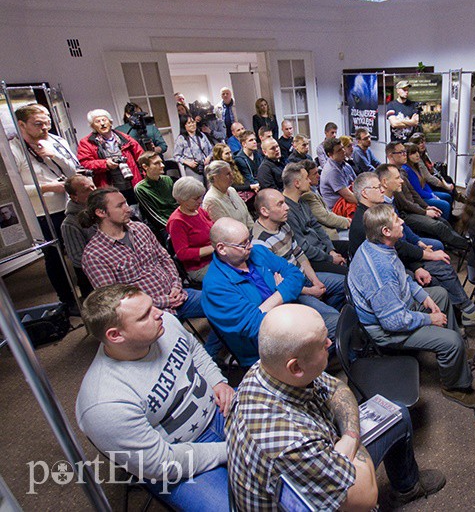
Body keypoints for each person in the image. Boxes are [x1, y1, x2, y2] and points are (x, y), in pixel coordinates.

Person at [226, 304, 446, 510]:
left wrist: (349, 437)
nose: (330, 343)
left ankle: (407, 487)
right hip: (310, 474)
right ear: (295, 367)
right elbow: (366, 498)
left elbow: (336, 388)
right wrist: (350, 442)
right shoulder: (288, 443)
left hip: (325, 446)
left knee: (396, 411)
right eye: (323, 344)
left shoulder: (265, 369)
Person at [75, 284, 232, 511]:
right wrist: (229, 450)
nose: (159, 312)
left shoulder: (164, 323)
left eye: (152, 306)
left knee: (288, 456)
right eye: (145, 315)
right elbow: (162, 464)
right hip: (177, 457)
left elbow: (194, 350)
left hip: (218, 411)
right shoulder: (103, 403)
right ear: (115, 335)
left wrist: (217, 381)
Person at [348, 204, 475, 408]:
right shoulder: (380, 272)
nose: (402, 221)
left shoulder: (378, 245)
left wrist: (423, 296)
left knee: (439, 294)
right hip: (387, 329)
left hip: (398, 306)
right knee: (451, 341)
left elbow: (401, 277)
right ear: (386, 231)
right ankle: (455, 386)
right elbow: (394, 322)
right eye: (397, 220)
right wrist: (430, 319)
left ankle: (454, 355)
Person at [351, 172, 475, 327]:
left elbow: (401, 239)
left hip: (398, 261)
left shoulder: (377, 210)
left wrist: (419, 246)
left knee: (440, 264)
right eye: (377, 187)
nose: (382, 190)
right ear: (365, 193)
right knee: (440, 272)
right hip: (391, 271)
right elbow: (397, 250)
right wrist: (421, 263)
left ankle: (459, 313)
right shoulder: (364, 222)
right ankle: (462, 312)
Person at [80, 187, 207, 325]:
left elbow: (165, 258)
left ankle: (211, 346)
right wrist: (165, 300)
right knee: (175, 339)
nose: (128, 209)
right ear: (101, 212)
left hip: (178, 295)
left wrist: (176, 285)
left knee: (228, 304)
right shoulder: (94, 255)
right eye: (120, 206)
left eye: (126, 203)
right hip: (145, 313)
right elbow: (117, 300)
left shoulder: (140, 229)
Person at [201, 218, 305, 367]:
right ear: (222, 248)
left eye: (249, 239)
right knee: (329, 336)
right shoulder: (215, 287)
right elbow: (255, 326)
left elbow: (296, 275)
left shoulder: (258, 252)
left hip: (291, 314)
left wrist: (266, 305)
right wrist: (283, 292)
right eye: (243, 244)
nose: (250, 246)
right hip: (264, 348)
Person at [11, 103, 81, 313]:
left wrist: (55, 155)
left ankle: (87, 292)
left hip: (70, 205)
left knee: (78, 249)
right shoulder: (13, 150)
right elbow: (15, 187)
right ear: (22, 125)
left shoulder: (56, 141)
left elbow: (74, 169)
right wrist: (49, 187)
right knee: (55, 256)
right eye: (38, 124)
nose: (44, 128)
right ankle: (67, 300)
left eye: (47, 123)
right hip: (44, 213)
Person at [251, 188, 343, 338]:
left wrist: (315, 280)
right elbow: (280, 285)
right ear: (264, 211)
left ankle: (324, 316)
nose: (286, 207)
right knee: (336, 319)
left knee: (345, 284)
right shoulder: (259, 244)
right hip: (295, 290)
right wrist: (311, 291)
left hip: (304, 278)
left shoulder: (283, 224)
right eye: (280, 204)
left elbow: (299, 254)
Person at [377, 162, 468, 251]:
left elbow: (414, 193)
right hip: (408, 215)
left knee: (442, 220)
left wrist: (426, 207)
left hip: (412, 214)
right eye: (397, 178)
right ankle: (466, 246)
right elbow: (405, 206)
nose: (401, 181)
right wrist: (424, 211)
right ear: (385, 182)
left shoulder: (391, 197)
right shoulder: (384, 205)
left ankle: (461, 243)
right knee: (439, 226)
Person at [282, 163, 349, 275]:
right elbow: (303, 247)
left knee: (351, 246)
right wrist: (330, 258)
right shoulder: (286, 211)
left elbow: (317, 227)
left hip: (321, 248)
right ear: (297, 183)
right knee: (346, 273)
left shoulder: (302, 201)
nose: (309, 181)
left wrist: (331, 250)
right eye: (306, 178)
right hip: (311, 258)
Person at [77, 109, 143, 205]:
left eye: (104, 120)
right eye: (98, 121)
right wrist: (105, 164)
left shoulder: (125, 138)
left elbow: (141, 157)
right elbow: (85, 163)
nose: (102, 124)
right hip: (109, 187)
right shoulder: (86, 143)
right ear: (93, 126)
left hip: (132, 183)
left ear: (110, 122)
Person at [167, 177, 214, 283]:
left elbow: (213, 227)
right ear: (183, 199)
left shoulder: (199, 211)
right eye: (196, 198)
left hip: (215, 257)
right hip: (200, 267)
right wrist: (213, 248)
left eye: (200, 197)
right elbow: (182, 254)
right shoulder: (177, 222)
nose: (200, 201)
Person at [61, 174, 97, 297]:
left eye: (93, 187)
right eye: (87, 190)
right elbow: (78, 258)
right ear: (74, 197)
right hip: (92, 278)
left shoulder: (102, 210)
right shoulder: (70, 224)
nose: (93, 191)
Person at [298, 159, 350, 240]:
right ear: (306, 177)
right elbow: (325, 217)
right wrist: (348, 222)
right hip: (328, 236)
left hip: (333, 226)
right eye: (315, 174)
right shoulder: (307, 196)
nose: (318, 176)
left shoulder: (313, 190)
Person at [403, 142, 452, 220]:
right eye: (413, 153)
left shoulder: (416, 166)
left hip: (425, 194)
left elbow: (425, 184)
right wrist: (432, 196)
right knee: (445, 205)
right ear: (407, 156)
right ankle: (444, 223)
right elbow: (417, 192)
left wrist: (432, 194)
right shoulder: (406, 169)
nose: (417, 155)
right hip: (420, 198)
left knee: (448, 196)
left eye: (417, 152)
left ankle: (450, 219)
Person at [133, 152, 178, 236]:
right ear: (145, 167)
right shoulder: (140, 189)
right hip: (164, 226)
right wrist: (173, 227)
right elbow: (154, 215)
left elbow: (177, 203)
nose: (162, 165)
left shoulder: (167, 179)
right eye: (156, 163)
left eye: (161, 162)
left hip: (178, 219)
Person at [202, 160, 254, 230]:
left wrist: (253, 232)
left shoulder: (232, 190)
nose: (232, 176)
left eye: (231, 173)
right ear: (215, 177)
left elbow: (247, 215)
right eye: (227, 174)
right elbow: (225, 229)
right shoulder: (211, 200)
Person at [319, 137, 358, 217]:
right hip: (337, 211)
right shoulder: (332, 171)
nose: (343, 151)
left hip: (348, 203)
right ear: (330, 155)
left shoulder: (345, 165)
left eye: (343, 148)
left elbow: (358, 183)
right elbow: (349, 197)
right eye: (339, 150)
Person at [408, 132, 456, 198]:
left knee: (448, 179)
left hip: (431, 179)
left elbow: (433, 170)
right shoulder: (417, 160)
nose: (422, 144)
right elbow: (428, 177)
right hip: (427, 182)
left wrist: (443, 181)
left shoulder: (425, 155)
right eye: (418, 143)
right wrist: (444, 185)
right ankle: (456, 196)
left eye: (423, 142)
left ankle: (456, 196)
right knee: (448, 192)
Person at [172, 116, 213, 183]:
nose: (192, 125)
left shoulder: (202, 135)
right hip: (193, 168)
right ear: (184, 125)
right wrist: (188, 163)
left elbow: (211, 149)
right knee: (198, 189)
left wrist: (208, 157)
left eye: (193, 122)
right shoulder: (181, 138)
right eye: (189, 123)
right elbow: (176, 156)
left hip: (206, 166)